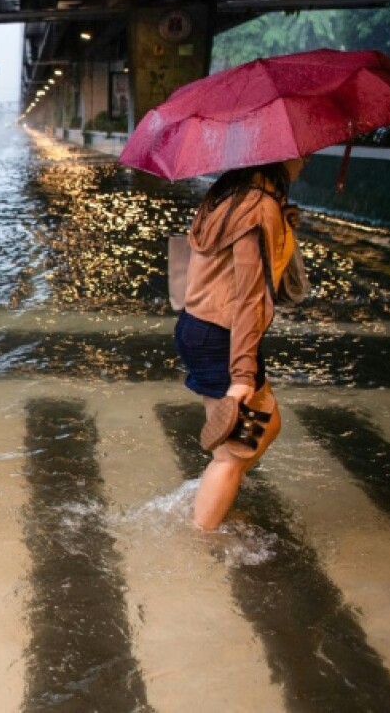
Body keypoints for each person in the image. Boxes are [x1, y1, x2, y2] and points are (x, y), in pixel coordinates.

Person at [174, 157, 304, 530]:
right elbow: (249, 295)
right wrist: (243, 376)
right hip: (222, 336)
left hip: (197, 326)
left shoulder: (227, 192)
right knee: (232, 454)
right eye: (302, 153)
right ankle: (202, 535)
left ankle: (211, 499)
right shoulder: (258, 206)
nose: (306, 159)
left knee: (266, 426)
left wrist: (281, 226)